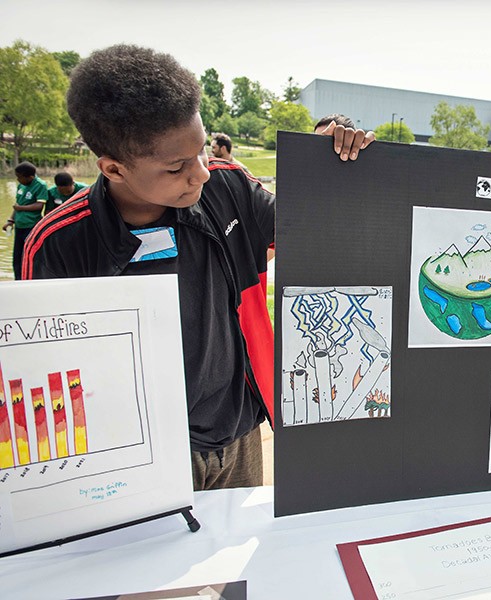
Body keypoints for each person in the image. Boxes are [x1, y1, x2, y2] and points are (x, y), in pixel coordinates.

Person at [21, 44, 372, 491]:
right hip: (140, 456)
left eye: (202, 151)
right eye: (177, 167)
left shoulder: (229, 188)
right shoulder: (58, 245)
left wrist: (333, 166)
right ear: (114, 168)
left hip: (240, 432)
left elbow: (319, 228)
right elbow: (45, 383)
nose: (201, 173)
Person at [3, 162, 48, 279]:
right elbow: (17, 205)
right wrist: (11, 220)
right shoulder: (21, 186)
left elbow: (39, 206)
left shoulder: (40, 185)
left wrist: (20, 208)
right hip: (19, 226)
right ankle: (18, 280)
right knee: (17, 257)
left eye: (19, 177)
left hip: (31, 226)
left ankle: (30, 280)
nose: (18, 180)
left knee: (29, 256)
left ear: (30, 177)